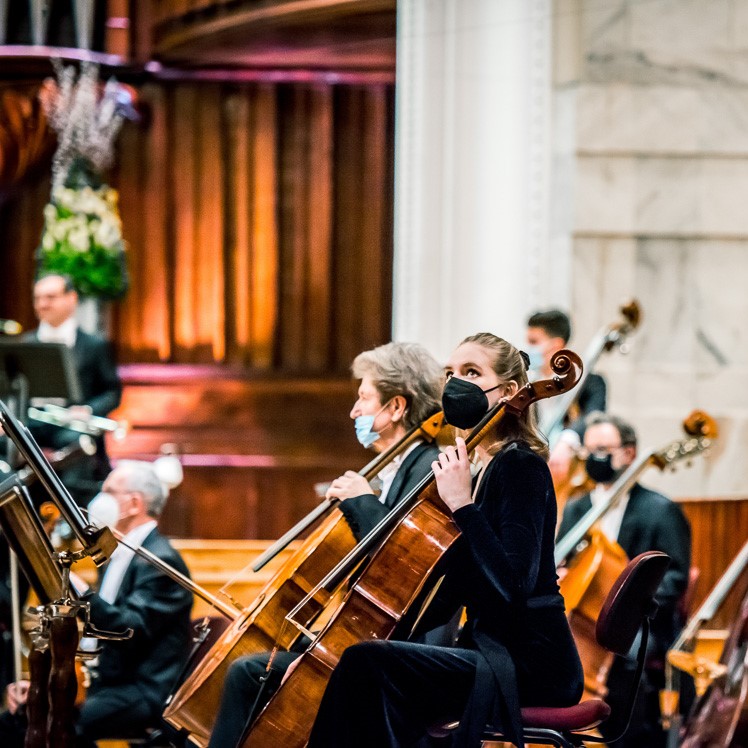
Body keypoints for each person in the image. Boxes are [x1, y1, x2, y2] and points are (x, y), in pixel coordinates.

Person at [305, 333, 584, 748]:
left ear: (509, 391)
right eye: (451, 372)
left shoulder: (521, 465)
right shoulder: (480, 466)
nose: (456, 383)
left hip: (531, 663)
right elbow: (454, 578)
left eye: (472, 372)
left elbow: (514, 584)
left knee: (366, 663)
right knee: (372, 661)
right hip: (488, 649)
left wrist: (462, 504)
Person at [207, 341, 444, 748]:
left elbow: (398, 560)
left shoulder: (426, 467)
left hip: (399, 651)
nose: (354, 411)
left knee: (248, 675)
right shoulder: (400, 468)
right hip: (370, 642)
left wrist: (361, 500)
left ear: (397, 408)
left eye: (364, 398)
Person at [0, 460, 193, 747]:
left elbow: (128, 630)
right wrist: (47, 687)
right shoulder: (119, 553)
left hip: (141, 691)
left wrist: (81, 591)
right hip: (107, 684)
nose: (98, 499)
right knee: (17, 718)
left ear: (133, 504)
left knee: (56, 725)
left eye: (109, 491)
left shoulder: (160, 560)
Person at [556, 411, 691, 747]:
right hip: (583, 617)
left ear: (629, 453)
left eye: (603, 448)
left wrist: (626, 606)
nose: (593, 459)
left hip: (642, 625)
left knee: (624, 652)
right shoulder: (577, 507)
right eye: (587, 451)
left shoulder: (660, 509)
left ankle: (624, 736)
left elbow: (675, 579)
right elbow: (561, 561)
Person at [24, 273, 122, 503]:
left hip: (73, 425)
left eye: (50, 297)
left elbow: (112, 393)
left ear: (71, 299)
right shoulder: (26, 344)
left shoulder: (94, 345)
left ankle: (69, 517)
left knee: (76, 441)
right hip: (33, 424)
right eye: (38, 298)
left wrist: (88, 409)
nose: (42, 304)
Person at [526, 309, 606, 486]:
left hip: (572, 475)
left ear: (556, 345)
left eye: (533, 342)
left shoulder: (591, 382)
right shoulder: (526, 382)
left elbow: (594, 417)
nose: (528, 348)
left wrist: (567, 441)